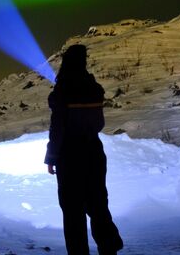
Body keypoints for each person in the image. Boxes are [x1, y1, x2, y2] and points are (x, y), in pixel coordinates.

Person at [44, 44, 123, 255]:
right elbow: (98, 123)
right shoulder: (94, 87)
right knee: (98, 205)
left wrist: (51, 156)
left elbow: (57, 128)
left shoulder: (63, 89)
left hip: (69, 156)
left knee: (72, 211)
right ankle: (110, 249)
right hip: (94, 152)